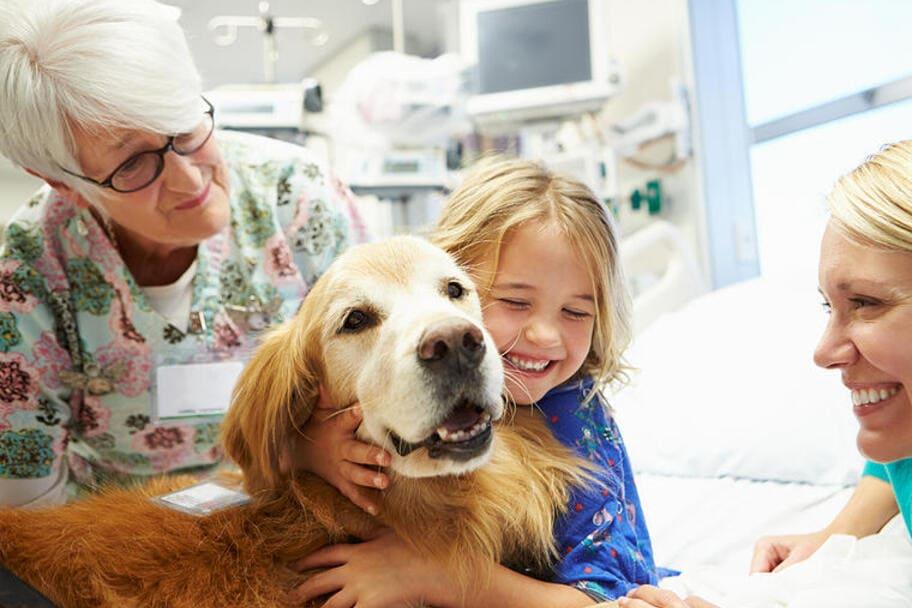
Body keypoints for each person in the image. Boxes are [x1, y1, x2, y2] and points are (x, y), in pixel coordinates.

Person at [620, 117, 912, 608]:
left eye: (866, 302)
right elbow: (892, 467)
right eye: (829, 307)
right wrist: (838, 533)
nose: (824, 352)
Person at [0, 0, 389, 508]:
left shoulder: (298, 199)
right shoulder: (30, 273)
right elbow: (27, 503)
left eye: (184, 128)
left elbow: (387, 384)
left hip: (306, 509)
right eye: (134, 164)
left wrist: (306, 451)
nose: (190, 179)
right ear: (67, 185)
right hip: (122, 538)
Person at [290, 159, 663, 607]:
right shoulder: (412, 372)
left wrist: (432, 573)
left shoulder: (576, 416)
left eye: (576, 312)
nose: (545, 335)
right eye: (514, 301)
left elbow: (602, 598)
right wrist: (309, 447)